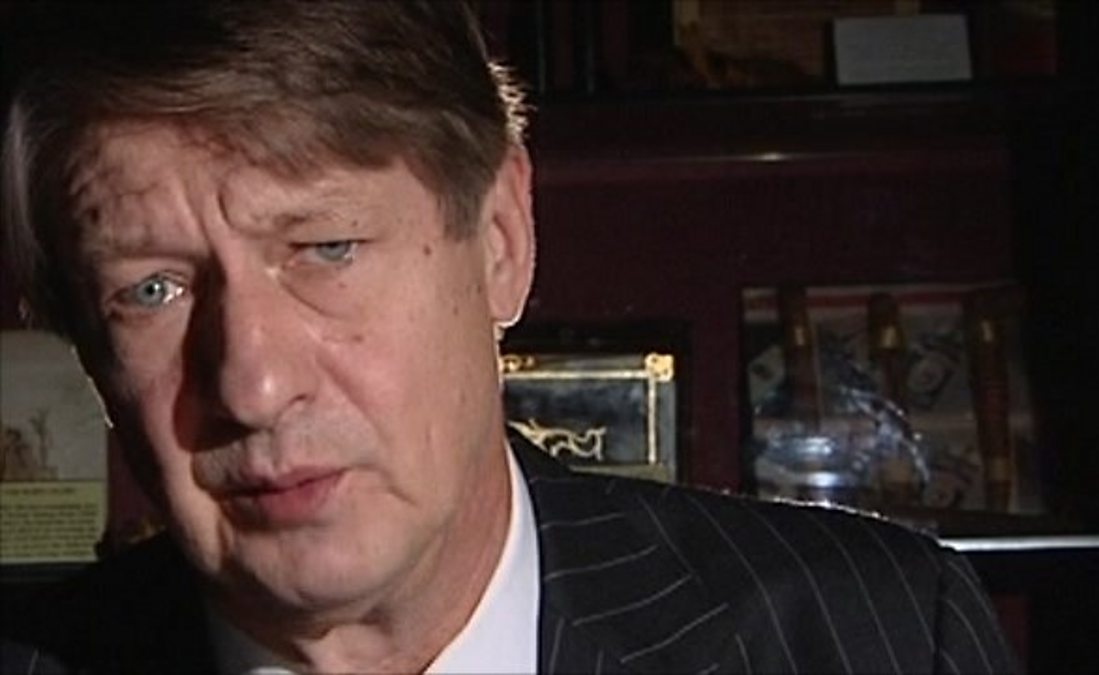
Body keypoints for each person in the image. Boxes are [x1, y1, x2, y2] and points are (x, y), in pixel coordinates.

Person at [0, 2, 1017, 673]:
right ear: (87, 350)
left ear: (499, 239)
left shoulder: (873, 639)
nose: (253, 384)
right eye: (153, 289)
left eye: (326, 247)